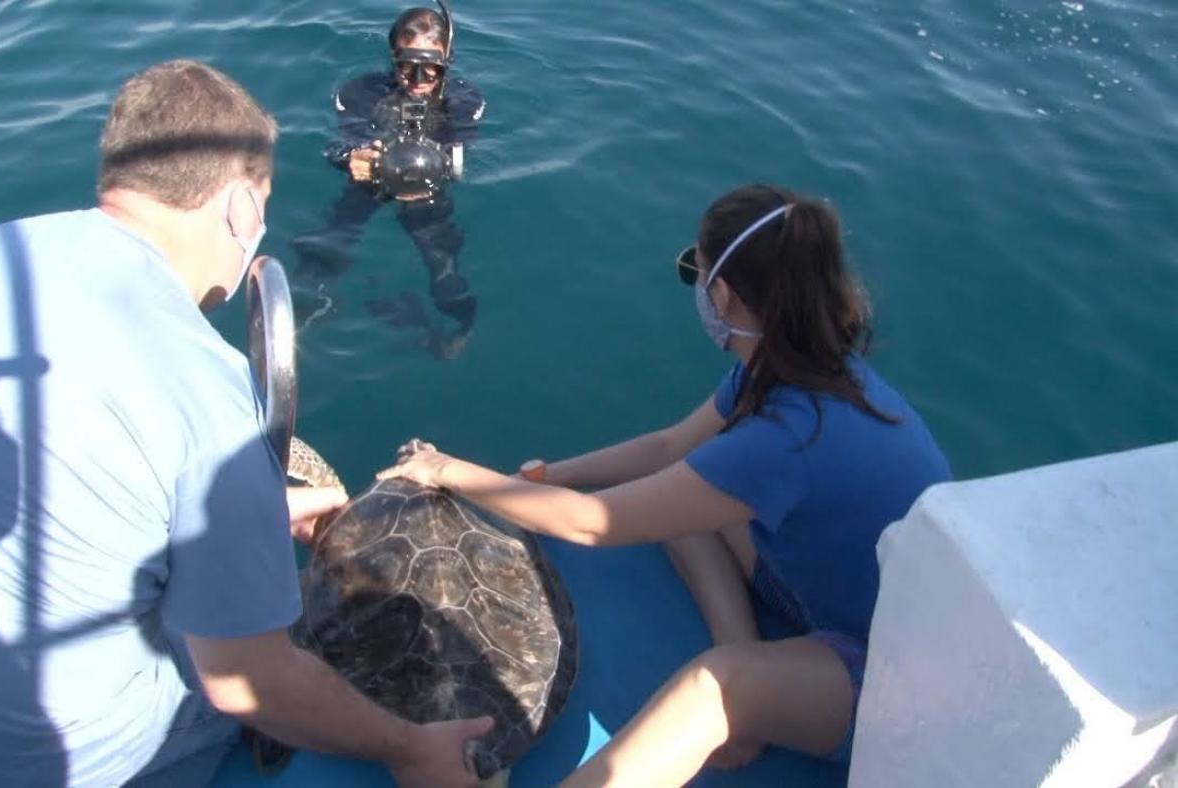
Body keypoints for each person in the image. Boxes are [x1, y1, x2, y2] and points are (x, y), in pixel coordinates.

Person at [0, 60, 489, 788]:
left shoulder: (2, 250)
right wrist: (407, 749)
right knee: (256, 672)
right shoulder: (209, 389)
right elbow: (248, 683)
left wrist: (237, 515)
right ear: (244, 210)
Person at [378, 184, 954, 786]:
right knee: (678, 488)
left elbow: (593, 523)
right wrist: (545, 477)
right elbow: (669, 448)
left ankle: (748, 693)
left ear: (723, 296)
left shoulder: (788, 437)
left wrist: (452, 471)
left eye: (696, 275)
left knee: (717, 688)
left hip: (893, 677)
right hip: (838, 597)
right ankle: (747, 646)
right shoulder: (798, 370)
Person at [291, 2, 484, 359]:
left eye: (431, 71)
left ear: (447, 63)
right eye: (407, 68)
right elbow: (339, 143)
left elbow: (461, 154)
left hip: (423, 186)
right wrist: (352, 158)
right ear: (392, 58)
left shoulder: (465, 99)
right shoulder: (359, 92)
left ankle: (457, 327)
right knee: (330, 242)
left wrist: (433, 168)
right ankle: (303, 313)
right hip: (372, 178)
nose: (418, 82)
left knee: (441, 257)